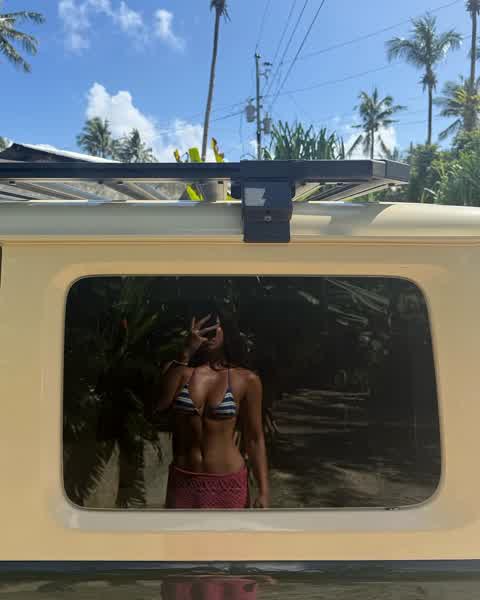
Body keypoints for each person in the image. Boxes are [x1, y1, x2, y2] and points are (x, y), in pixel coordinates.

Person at [155, 312, 269, 509]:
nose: (207, 335)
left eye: (213, 328)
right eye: (202, 328)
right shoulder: (180, 371)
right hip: (184, 482)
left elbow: (254, 438)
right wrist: (185, 353)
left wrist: (264, 491)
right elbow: (159, 405)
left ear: (225, 331)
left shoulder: (247, 379)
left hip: (228, 482)